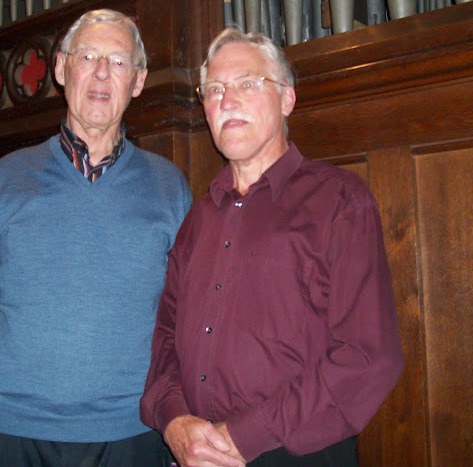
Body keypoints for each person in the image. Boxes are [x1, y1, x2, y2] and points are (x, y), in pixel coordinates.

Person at [0, 9, 191, 466]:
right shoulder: (5, 180)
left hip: (133, 435)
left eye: (118, 60)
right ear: (60, 69)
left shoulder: (170, 189)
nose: (101, 72)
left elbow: (185, 331)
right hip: (11, 435)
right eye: (87, 55)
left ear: (138, 80)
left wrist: (176, 440)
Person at [140, 28, 404, 467]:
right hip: (194, 452)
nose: (226, 100)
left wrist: (245, 435)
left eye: (247, 83)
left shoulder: (338, 200)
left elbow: (367, 356)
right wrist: (174, 421)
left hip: (296, 452)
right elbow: (165, 336)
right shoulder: (197, 220)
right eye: (214, 90)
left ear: (287, 99)